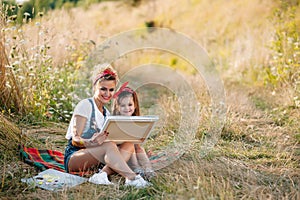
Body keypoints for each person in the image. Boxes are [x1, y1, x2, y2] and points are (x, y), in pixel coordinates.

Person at [64, 65, 150, 188]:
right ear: (95, 87)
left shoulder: (107, 114)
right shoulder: (85, 105)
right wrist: (91, 142)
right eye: (103, 89)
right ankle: (132, 178)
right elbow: (75, 140)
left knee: (128, 145)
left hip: (97, 156)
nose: (107, 94)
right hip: (75, 156)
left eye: (111, 90)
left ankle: (102, 175)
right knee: (109, 145)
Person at [100, 83, 156, 180]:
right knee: (129, 144)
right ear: (117, 107)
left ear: (135, 106)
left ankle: (148, 170)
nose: (127, 108)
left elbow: (137, 142)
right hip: (118, 152)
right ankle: (136, 168)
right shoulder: (113, 121)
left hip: (131, 150)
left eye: (130, 105)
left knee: (139, 148)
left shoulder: (135, 120)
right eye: (123, 106)